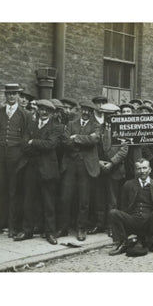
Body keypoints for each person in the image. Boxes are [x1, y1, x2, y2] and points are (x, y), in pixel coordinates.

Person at [0, 84, 29, 237]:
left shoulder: (25, 114)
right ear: (5, 95)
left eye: (14, 94)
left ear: (18, 95)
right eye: (9, 94)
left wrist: (21, 153)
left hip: (15, 155)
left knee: (14, 191)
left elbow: (26, 137)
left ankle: (12, 227)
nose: (11, 96)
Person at [14, 100, 61, 245]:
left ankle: (50, 233)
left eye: (47, 110)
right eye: (41, 109)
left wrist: (33, 142)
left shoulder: (56, 127)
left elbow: (51, 144)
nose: (44, 112)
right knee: (28, 200)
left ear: (52, 113)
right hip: (31, 168)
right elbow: (23, 145)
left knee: (48, 203)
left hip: (47, 170)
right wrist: (35, 144)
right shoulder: (31, 125)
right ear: (38, 110)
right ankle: (27, 231)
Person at [57, 100, 101, 241]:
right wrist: (83, 141)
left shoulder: (96, 125)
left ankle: (81, 228)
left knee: (84, 199)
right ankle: (63, 228)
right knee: (65, 197)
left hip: (86, 166)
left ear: (92, 111)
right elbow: (65, 141)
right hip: (70, 164)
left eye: (89, 110)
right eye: (84, 109)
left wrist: (75, 138)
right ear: (81, 110)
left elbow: (94, 141)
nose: (86, 112)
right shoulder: (71, 124)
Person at [107, 158, 153, 255]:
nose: (142, 171)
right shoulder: (128, 184)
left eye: (144, 168)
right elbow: (123, 205)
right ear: (135, 170)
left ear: (150, 169)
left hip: (149, 222)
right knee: (113, 213)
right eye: (139, 169)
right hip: (132, 221)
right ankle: (123, 243)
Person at [90, 103, 128, 236]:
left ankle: (112, 225)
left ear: (117, 115)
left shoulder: (122, 129)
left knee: (113, 200)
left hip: (115, 169)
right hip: (100, 168)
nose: (108, 117)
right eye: (106, 114)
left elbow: (124, 150)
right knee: (99, 197)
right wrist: (99, 162)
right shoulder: (98, 128)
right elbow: (93, 147)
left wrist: (112, 163)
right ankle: (100, 224)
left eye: (111, 114)